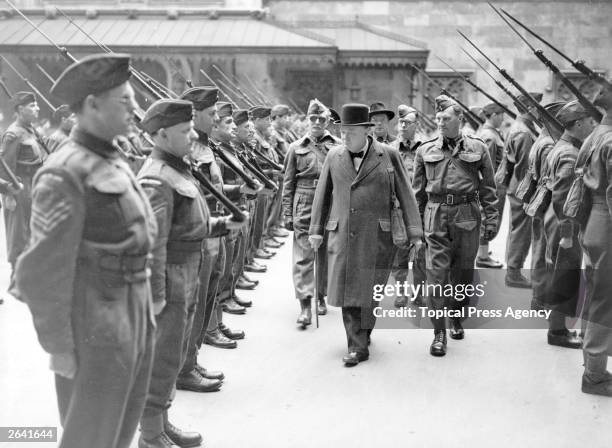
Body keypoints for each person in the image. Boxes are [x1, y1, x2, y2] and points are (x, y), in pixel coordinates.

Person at [15, 53, 157, 448]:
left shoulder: (111, 156)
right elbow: (39, 272)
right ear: (92, 104)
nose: (136, 110)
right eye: (125, 101)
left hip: (134, 311)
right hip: (97, 323)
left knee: (121, 429)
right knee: (91, 436)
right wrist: (59, 348)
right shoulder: (65, 170)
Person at [137, 98, 246, 448]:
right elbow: (153, 244)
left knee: (175, 350)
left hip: (186, 270)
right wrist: (155, 298)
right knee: (162, 355)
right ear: (163, 134)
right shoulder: (156, 177)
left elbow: (187, 222)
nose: (190, 136)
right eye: (184, 132)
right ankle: (151, 434)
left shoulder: (177, 168)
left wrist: (219, 225)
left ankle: (163, 421)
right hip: (168, 276)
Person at [309, 103, 422, 366]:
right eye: (342, 131)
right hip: (344, 232)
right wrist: (315, 231)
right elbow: (322, 196)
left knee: (371, 291)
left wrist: (415, 233)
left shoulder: (389, 155)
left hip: (378, 235)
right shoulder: (334, 156)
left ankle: (364, 330)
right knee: (350, 291)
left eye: (350, 132)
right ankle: (357, 345)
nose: (344, 136)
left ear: (365, 131)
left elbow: (406, 194)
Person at [412, 95, 498, 357]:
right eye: (437, 118)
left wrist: (492, 219)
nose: (440, 122)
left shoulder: (478, 148)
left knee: (462, 271)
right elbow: (417, 193)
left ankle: (457, 316)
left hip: (467, 214)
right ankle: (439, 331)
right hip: (435, 214)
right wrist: (416, 230)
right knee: (436, 275)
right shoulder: (424, 150)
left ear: (459, 119)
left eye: (445, 118)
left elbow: (489, 188)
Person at [541, 100, 594, 348]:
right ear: (578, 124)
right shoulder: (570, 154)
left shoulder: (560, 147)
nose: (592, 127)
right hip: (565, 223)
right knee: (565, 276)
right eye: (589, 123)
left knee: (559, 275)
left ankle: (557, 328)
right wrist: (568, 233)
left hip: (555, 219)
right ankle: (558, 332)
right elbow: (565, 199)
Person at [283, 99, 339, 327]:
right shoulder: (295, 147)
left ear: (327, 121)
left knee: (324, 252)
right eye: (312, 118)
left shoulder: (337, 146)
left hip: (329, 199)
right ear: (308, 120)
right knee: (303, 254)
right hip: (304, 200)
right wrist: (287, 213)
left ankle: (321, 296)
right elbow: (287, 183)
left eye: (321, 119)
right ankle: (305, 304)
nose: (316, 122)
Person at [572, 82, 612, 396]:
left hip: (592, 221)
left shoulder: (595, 134)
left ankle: (591, 359)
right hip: (607, 221)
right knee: (605, 299)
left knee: (596, 290)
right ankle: (595, 374)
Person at [0, 91, 46, 277]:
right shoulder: (13, 134)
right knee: (18, 231)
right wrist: (10, 193)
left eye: (36, 105)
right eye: (32, 106)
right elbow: (4, 167)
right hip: (19, 186)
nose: (37, 108)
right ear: (20, 109)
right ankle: (17, 273)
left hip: (34, 184)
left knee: (34, 228)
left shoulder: (31, 130)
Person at [500, 92, 542, 288]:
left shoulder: (520, 127)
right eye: (536, 106)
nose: (538, 110)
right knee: (521, 231)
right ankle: (514, 272)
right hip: (524, 189)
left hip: (517, 187)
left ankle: (513, 270)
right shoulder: (524, 132)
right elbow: (526, 167)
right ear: (529, 108)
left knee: (518, 229)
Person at [390, 105, 426, 307]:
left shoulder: (425, 148)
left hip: (421, 207)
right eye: (400, 122)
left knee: (421, 250)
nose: (403, 126)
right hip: (399, 208)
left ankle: (419, 293)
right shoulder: (390, 150)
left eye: (407, 122)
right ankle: (401, 291)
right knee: (400, 250)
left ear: (416, 125)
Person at [475, 102, 506, 268]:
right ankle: (482, 256)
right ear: (494, 115)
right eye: (501, 115)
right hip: (493, 184)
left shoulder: (491, 133)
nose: (502, 119)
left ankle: (483, 251)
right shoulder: (489, 136)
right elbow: (487, 166)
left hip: (494, 184)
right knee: (488, 218)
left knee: (488, 218)